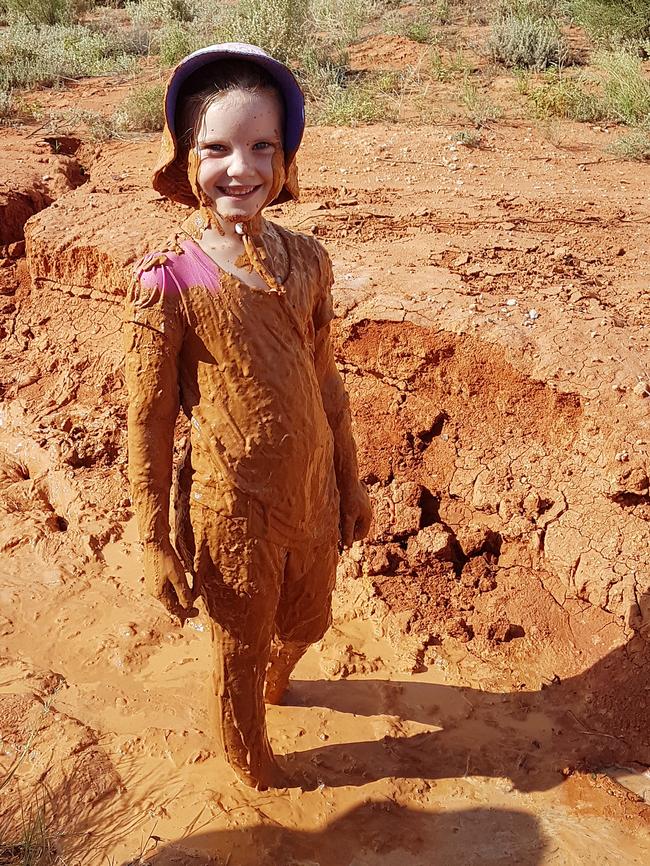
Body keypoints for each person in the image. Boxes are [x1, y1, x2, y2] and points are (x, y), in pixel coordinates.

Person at [123, 43, 372, 790]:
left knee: (308, 623)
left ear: (287, 157)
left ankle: (276, 682)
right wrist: (154, 540)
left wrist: (350, 482)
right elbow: (148, 421)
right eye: (218, 149)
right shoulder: (166, 282)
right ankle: (254, 775)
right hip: (228, 509)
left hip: (311, 493)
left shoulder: (309, 260)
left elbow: (328, 380)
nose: (243, 168)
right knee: (237, 650)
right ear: (184, 159)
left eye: (263, 145)